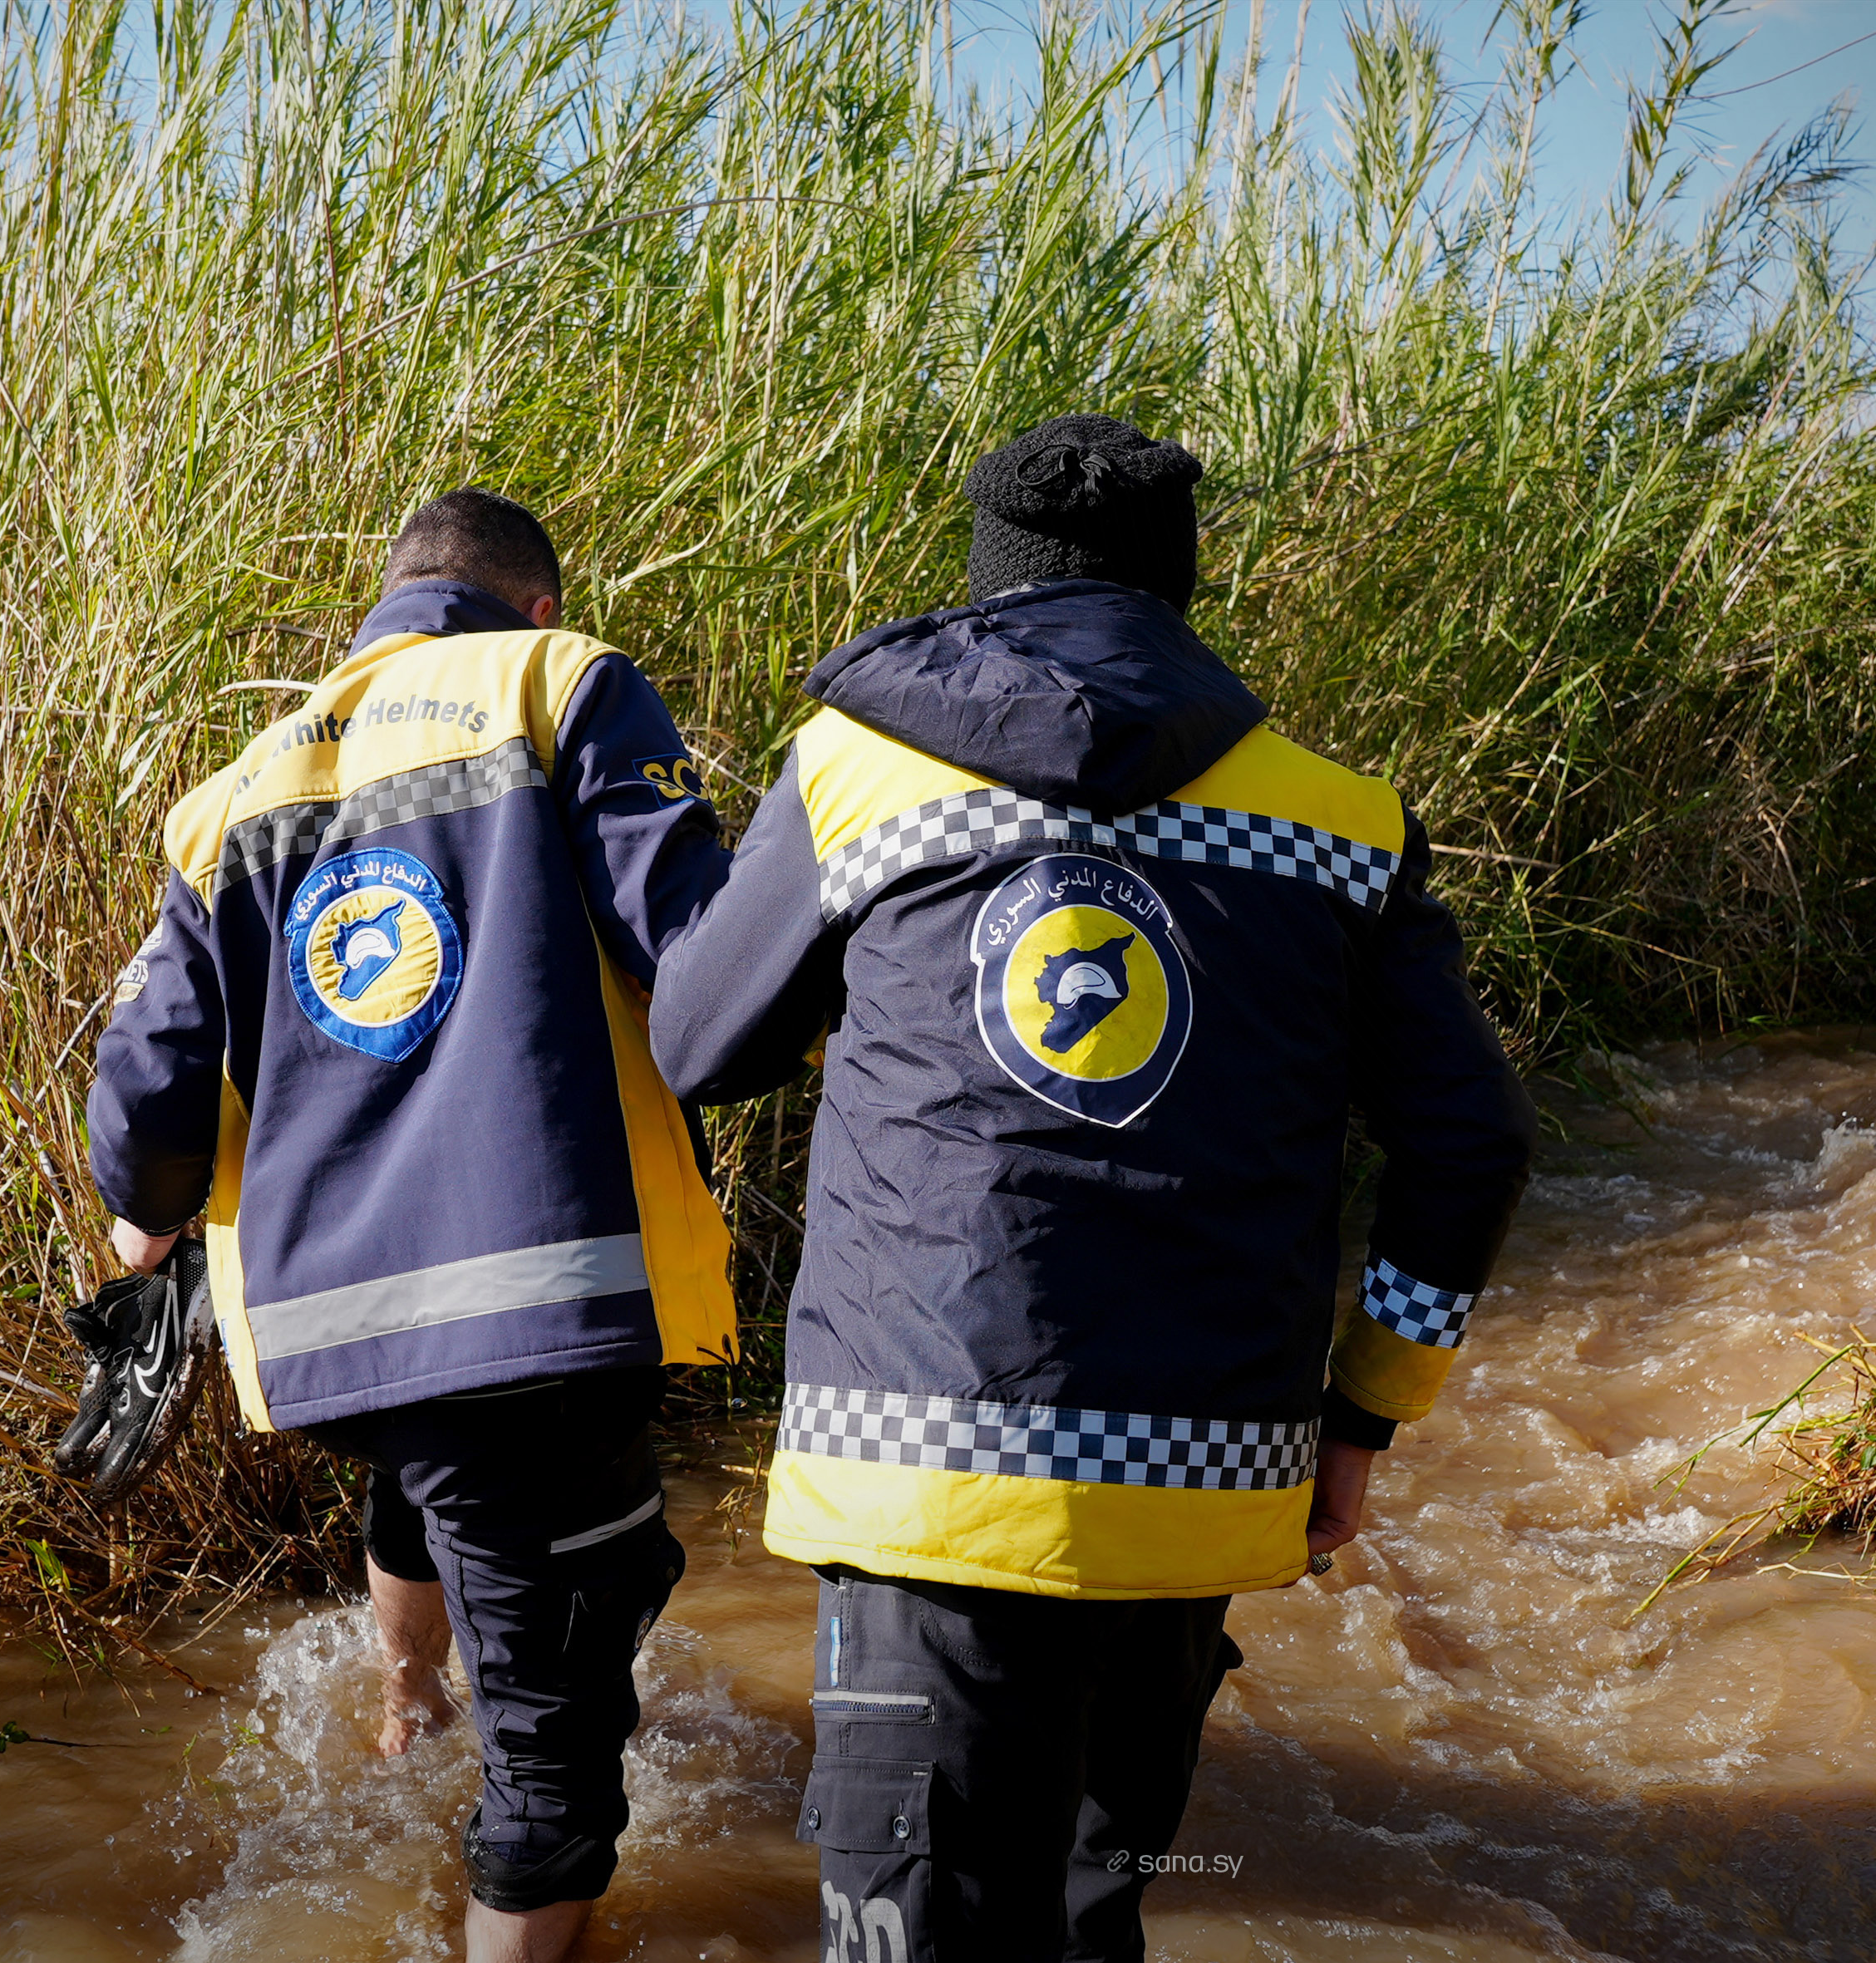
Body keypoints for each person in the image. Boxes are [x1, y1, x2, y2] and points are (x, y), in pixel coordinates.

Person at [650, 415, 1537, 1961]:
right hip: (1200, 1485)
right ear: (1177, 591)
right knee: (1088, 1918)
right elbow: (1471, 1142)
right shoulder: (1337, 819)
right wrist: (1359, 1415)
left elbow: (695, 1045)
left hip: (917, 1478)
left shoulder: (859, 770)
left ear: (986, 582)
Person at [86, 489, 738, 1963]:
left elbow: (147, 1081)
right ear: (533, 603)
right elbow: (690, 954)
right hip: (541, 1306)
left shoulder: (236, 787)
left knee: (431, 1467)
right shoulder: (559, 680)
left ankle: (404, 1703)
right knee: (560, 1751)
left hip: (334, 1333)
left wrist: (144, 1216)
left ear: (381, 612)